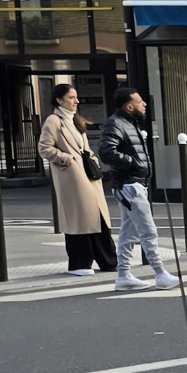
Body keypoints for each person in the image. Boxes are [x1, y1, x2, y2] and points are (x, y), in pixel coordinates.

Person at [99, 87, 178, 292]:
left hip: (133, 184)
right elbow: (107, 152)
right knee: (147, 230)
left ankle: (124, 275)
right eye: (140, 101)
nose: (144, 104)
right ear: (129, 105)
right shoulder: (117, 123)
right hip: (129, 185)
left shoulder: (129, 123)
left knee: (129, 231)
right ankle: (160, 273)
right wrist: (133, 163)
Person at [37, 83, 116, 277]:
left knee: (96, 218)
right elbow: (44, 148)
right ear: (59, 100)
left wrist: (91, 157)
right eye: (72, 97)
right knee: (79, 221)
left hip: (87, 175)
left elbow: (84, 147)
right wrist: (66, 159)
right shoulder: (54, 121)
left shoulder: (74, 120)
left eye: (76, 97)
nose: (76, 101)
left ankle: (108, 260)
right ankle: (80, 263)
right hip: (71, 178)